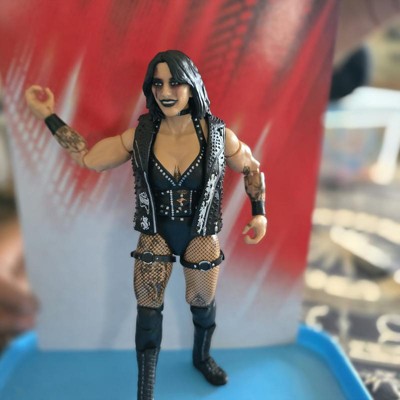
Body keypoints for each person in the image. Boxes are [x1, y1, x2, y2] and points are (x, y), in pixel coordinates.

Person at [25, 50, 267, 400]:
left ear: (192, 85)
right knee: (148, 310)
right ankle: (146, 389)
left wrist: (259, 212)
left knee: (202, 303)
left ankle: (202, 357)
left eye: (174, 82)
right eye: (157, 83)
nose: (165, 91)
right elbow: (88, 158)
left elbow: (251, 166)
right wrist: (48, 115)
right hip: (155, 234)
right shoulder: (140, 135)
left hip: (201, 234)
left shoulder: (218, 135)